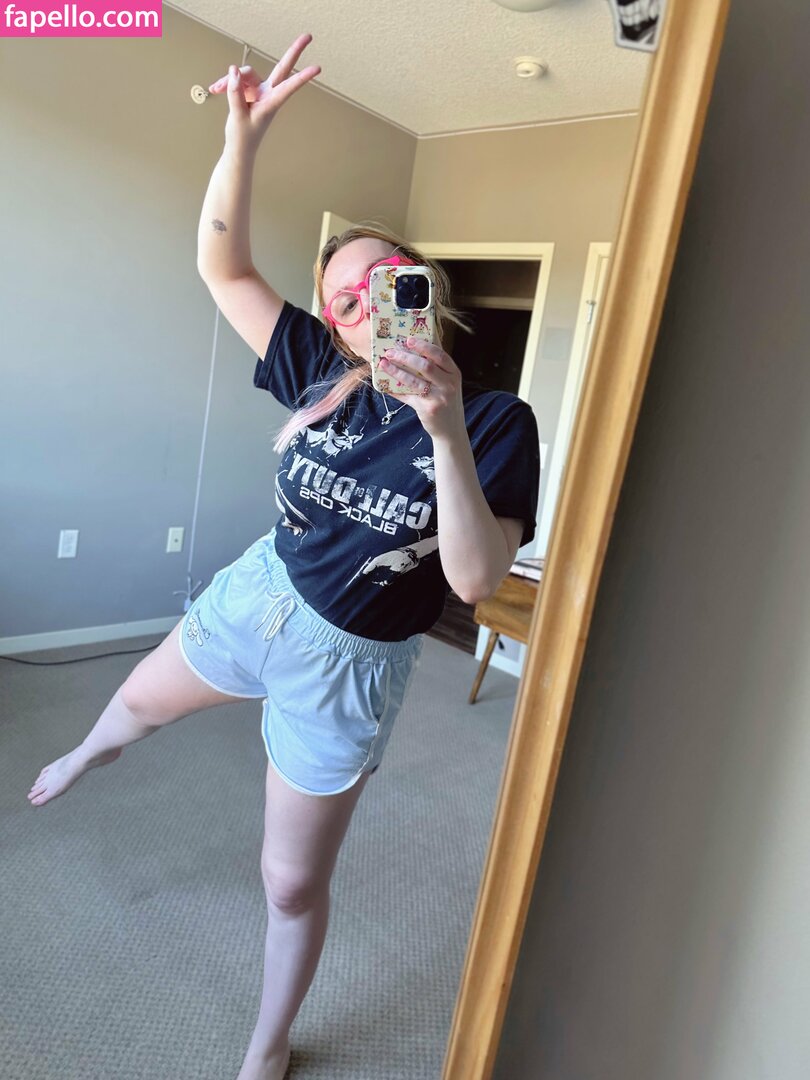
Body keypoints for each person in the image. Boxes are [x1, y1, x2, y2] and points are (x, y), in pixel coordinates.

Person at [27, 33, 541, 1080]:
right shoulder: (312, 362)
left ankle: (268, 1044)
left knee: (290, 883)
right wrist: (243, 137)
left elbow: (477, 581)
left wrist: (443, 430)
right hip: (259, 592)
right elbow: (221, 264)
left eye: (383, 282)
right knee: (134, 706)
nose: (360, 306)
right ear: (335, 321)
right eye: (343, 298)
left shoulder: (496, 420)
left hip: (348, 666)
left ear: (421, 287)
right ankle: (86, 751)